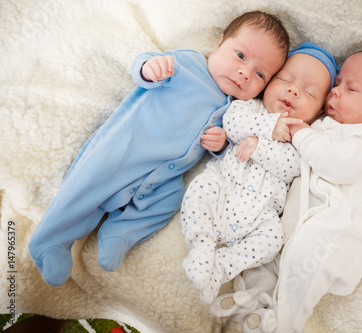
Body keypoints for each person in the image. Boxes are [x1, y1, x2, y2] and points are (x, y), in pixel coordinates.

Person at [28, 10, 290, 287]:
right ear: (219, 44)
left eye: (260, 74)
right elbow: (145, 64)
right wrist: (150, 68)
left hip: (162, 175)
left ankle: (121, 233)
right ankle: (50, 241)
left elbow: (229, 149)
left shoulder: (234, 108)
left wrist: (220, 144)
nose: (245, 73)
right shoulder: (187, 63)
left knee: (170, 199)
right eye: (240, 56)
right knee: (86, 186)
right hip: (125, 148)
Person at [210, 48, 362, 333]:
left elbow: (335, 165)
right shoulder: (323, 126)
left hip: (334, 235)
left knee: (300, 269)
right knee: (268, 259)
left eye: (351, 88)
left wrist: (302, 135)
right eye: (337, 84)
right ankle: (249, 304)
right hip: (296, 225)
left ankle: (286, 322)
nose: (335, 92)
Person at [181, 42, 339, 304]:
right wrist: (270, 124)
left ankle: (219, 267)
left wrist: (259, 146)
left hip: (259, 215)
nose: (293, 90)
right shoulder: (250, 107)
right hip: (223, 188)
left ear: (320, 110)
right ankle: (201, 246)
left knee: (273, 239)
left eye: (309, 93)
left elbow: (292, 168)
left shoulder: (304, 136)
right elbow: (231, 124)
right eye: (285, 79)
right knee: (200, 189)